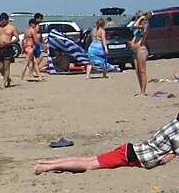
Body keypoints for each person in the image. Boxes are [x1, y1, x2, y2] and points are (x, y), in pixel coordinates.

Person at [34, 112, 179, 175]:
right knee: (89, 164)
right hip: (134, 155)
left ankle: (46, 162)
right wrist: (172, 154)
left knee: (88, 159)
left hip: (132, 150)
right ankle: (45, 167)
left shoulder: (174, 124)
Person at [0, 13, 19, 88]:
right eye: (0, 20)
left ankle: (3, 83)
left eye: (2, 20)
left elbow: (17, 39)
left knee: (6, 67)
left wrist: (9, 43)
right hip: (0, 48)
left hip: (8, 48)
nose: (1, 22)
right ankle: (8, 79)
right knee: (0, 67)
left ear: (6, 20)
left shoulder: (12, 28)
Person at [131, 11, 151, 98]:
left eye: (138, 17)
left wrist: (142, 18)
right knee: (137, 71)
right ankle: (141, 90)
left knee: (142, 72)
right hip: (135, 51)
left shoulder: (145, 25)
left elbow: (135, 25)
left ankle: (143, 92)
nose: (137, 18)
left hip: (141, 50)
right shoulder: (139, 27)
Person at [20, 17, 44, 83]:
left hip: (26, 47)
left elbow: (24, 40)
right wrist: (43, 46)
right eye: (35, 24)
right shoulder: (32, 30)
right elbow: (36, 40)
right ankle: (21, 78)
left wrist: (23, 48)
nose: (35, 26)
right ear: (32, 24)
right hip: (30, 47)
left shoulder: (26, 30)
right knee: (26, 63)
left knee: (35, 63)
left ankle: (40, 77)